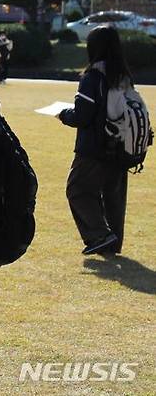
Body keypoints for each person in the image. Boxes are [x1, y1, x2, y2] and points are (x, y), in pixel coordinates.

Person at [58, 25, 131, 256]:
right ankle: (112, 243)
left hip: (94, 149)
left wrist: (63, 115)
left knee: (77, 189)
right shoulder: (124, 77)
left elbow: (82, 116)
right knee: (113, 195)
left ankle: (100, 235)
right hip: (122, 146)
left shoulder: (93, 77)